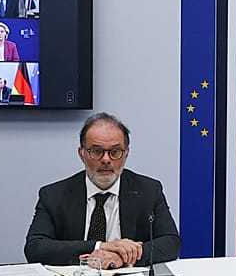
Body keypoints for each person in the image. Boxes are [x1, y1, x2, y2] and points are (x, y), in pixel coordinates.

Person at [24, 112, 180, 267]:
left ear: (126, 154)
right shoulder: (54, 195)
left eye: (115, 152)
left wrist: (123, 257)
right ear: (82, 154)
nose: (106, 160)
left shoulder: (148, 190)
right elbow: (35, 248)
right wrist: (100, 247)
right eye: (97, 151)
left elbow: (171, 242)